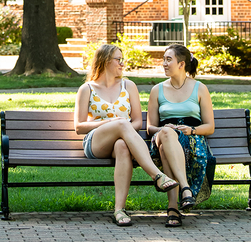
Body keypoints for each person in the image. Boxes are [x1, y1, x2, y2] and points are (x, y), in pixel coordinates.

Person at [74, 44, 179, 227]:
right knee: (122, 123)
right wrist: (110, 123)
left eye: (122, 59)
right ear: (106, 61)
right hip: (97, 142)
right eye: (118, 59)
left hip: (122, 141)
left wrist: (121, 127)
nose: (122, 63)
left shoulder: (128, 86)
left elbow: (137, 122)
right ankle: (157, 175)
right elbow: (79, 126)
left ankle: (119, 210)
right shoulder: (87, 88)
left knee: (122, 146)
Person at [147, 44, 216, 227]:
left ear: (181, 64)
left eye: (168, 59)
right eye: (164, 59)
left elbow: (209, 127)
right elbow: (150, 127)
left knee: (166, 146)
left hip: (191, 139)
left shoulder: (200, 88)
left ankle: (173, 209)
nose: (164, 63)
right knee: (167, 134)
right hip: (162, 135)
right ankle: (185, 189)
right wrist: (164, 129)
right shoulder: (157, 90)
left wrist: (191, 130)